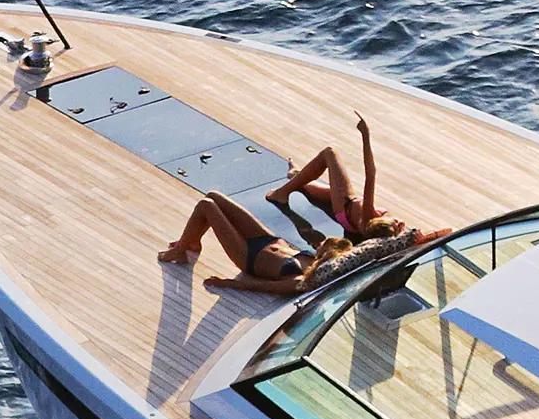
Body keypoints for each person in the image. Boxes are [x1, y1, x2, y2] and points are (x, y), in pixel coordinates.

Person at [267, 112, 410, 242]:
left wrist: (365, 135)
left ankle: (280, 194)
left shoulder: (370, 216)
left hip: (344, 203)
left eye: (396, 225)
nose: (400, 222)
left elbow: (370, 175)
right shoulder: (382, 231)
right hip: (347, 218)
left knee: (329, 153)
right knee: (304, 184)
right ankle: (295, 175)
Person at [156, 190, 328, 295]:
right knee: (213, 196)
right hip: (267, 239)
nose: (318, 246)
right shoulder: (317, 260)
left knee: (206, 205)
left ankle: (180, 250)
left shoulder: (303, 280)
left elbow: (266, 287)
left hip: (248, 256)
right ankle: (192, 241)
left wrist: (228, 284)